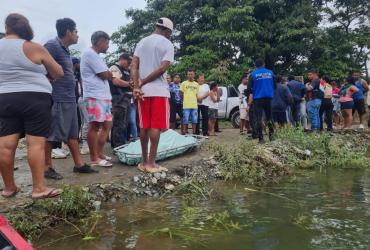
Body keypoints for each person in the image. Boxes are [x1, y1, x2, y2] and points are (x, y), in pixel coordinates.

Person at [0, 13, 63, 198]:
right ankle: (38, 189)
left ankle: (9, 188)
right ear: (25, 28)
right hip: (34, 97)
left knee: (5, 144)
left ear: (7, 27)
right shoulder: (33, 47)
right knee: (35, 144)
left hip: (4, 97)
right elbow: (58, 71)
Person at [44, 18, 97, 180]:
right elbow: (40, 65)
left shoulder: (64, 49)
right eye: (76, 32)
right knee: (53, 134)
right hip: (59, 97)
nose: (77, 35)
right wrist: (48, 80)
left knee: (72, 134)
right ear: (68, 32)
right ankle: (47, 167)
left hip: (69, 98)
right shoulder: (52, 45)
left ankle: (79, 164)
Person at [131, 17, 174, 173]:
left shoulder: (142, 42)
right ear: (167, 31)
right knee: (155, 125)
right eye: (170, 33)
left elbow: (134, 65)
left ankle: (144, 162)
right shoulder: (167, 44)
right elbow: (162, 69)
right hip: (158, 91)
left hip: (142, 92)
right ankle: (151, 163)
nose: (170, 36)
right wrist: (142, 82)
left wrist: (137, 86)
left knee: (144, 126)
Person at [81, 31, 113, 167]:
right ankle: (94, 158)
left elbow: (108, 74)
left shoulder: (97, 56)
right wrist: (110, 74)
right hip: (95, 96)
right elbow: (105, 74)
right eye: (107, 43)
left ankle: (99, 153)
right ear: (100, 41)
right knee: (94, 126)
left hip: (103, 96)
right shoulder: (89, 54)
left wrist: (109, 74)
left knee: (107, 125)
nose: (108, 46)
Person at [247, 58, 275, 143]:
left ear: (255, 66)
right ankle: (271, 136)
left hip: (258, 99)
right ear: (264, 64)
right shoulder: (270, 73)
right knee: (269, 117)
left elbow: (249, 90)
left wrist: (249, 102)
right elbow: (275, 86)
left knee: (258, 118)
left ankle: (261, 138)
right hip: (268, 98)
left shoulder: (252, 75)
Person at [109, 53, 132, 148]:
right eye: (128, 61)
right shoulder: (114, 68)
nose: (129, 64)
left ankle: (122, 143)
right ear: (122, 59)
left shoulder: (127, 70)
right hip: (118, 99)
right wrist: (129, 84)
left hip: (126, 99)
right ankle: (116, 145)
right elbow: (116, 81)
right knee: (118, 123)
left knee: (124, 123)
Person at [180, 69, 199, 134]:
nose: (190, 75)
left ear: (194, 75)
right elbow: (181, 93)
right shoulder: (183, 83)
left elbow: (197, 94)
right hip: (186, 105)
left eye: (191, 74)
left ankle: (194, 133)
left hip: (194, 105)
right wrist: (184, 100)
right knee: (185, 120)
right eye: (189, 74)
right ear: (187, 75)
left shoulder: (196, 84)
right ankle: (185, 132)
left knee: (194, 120)